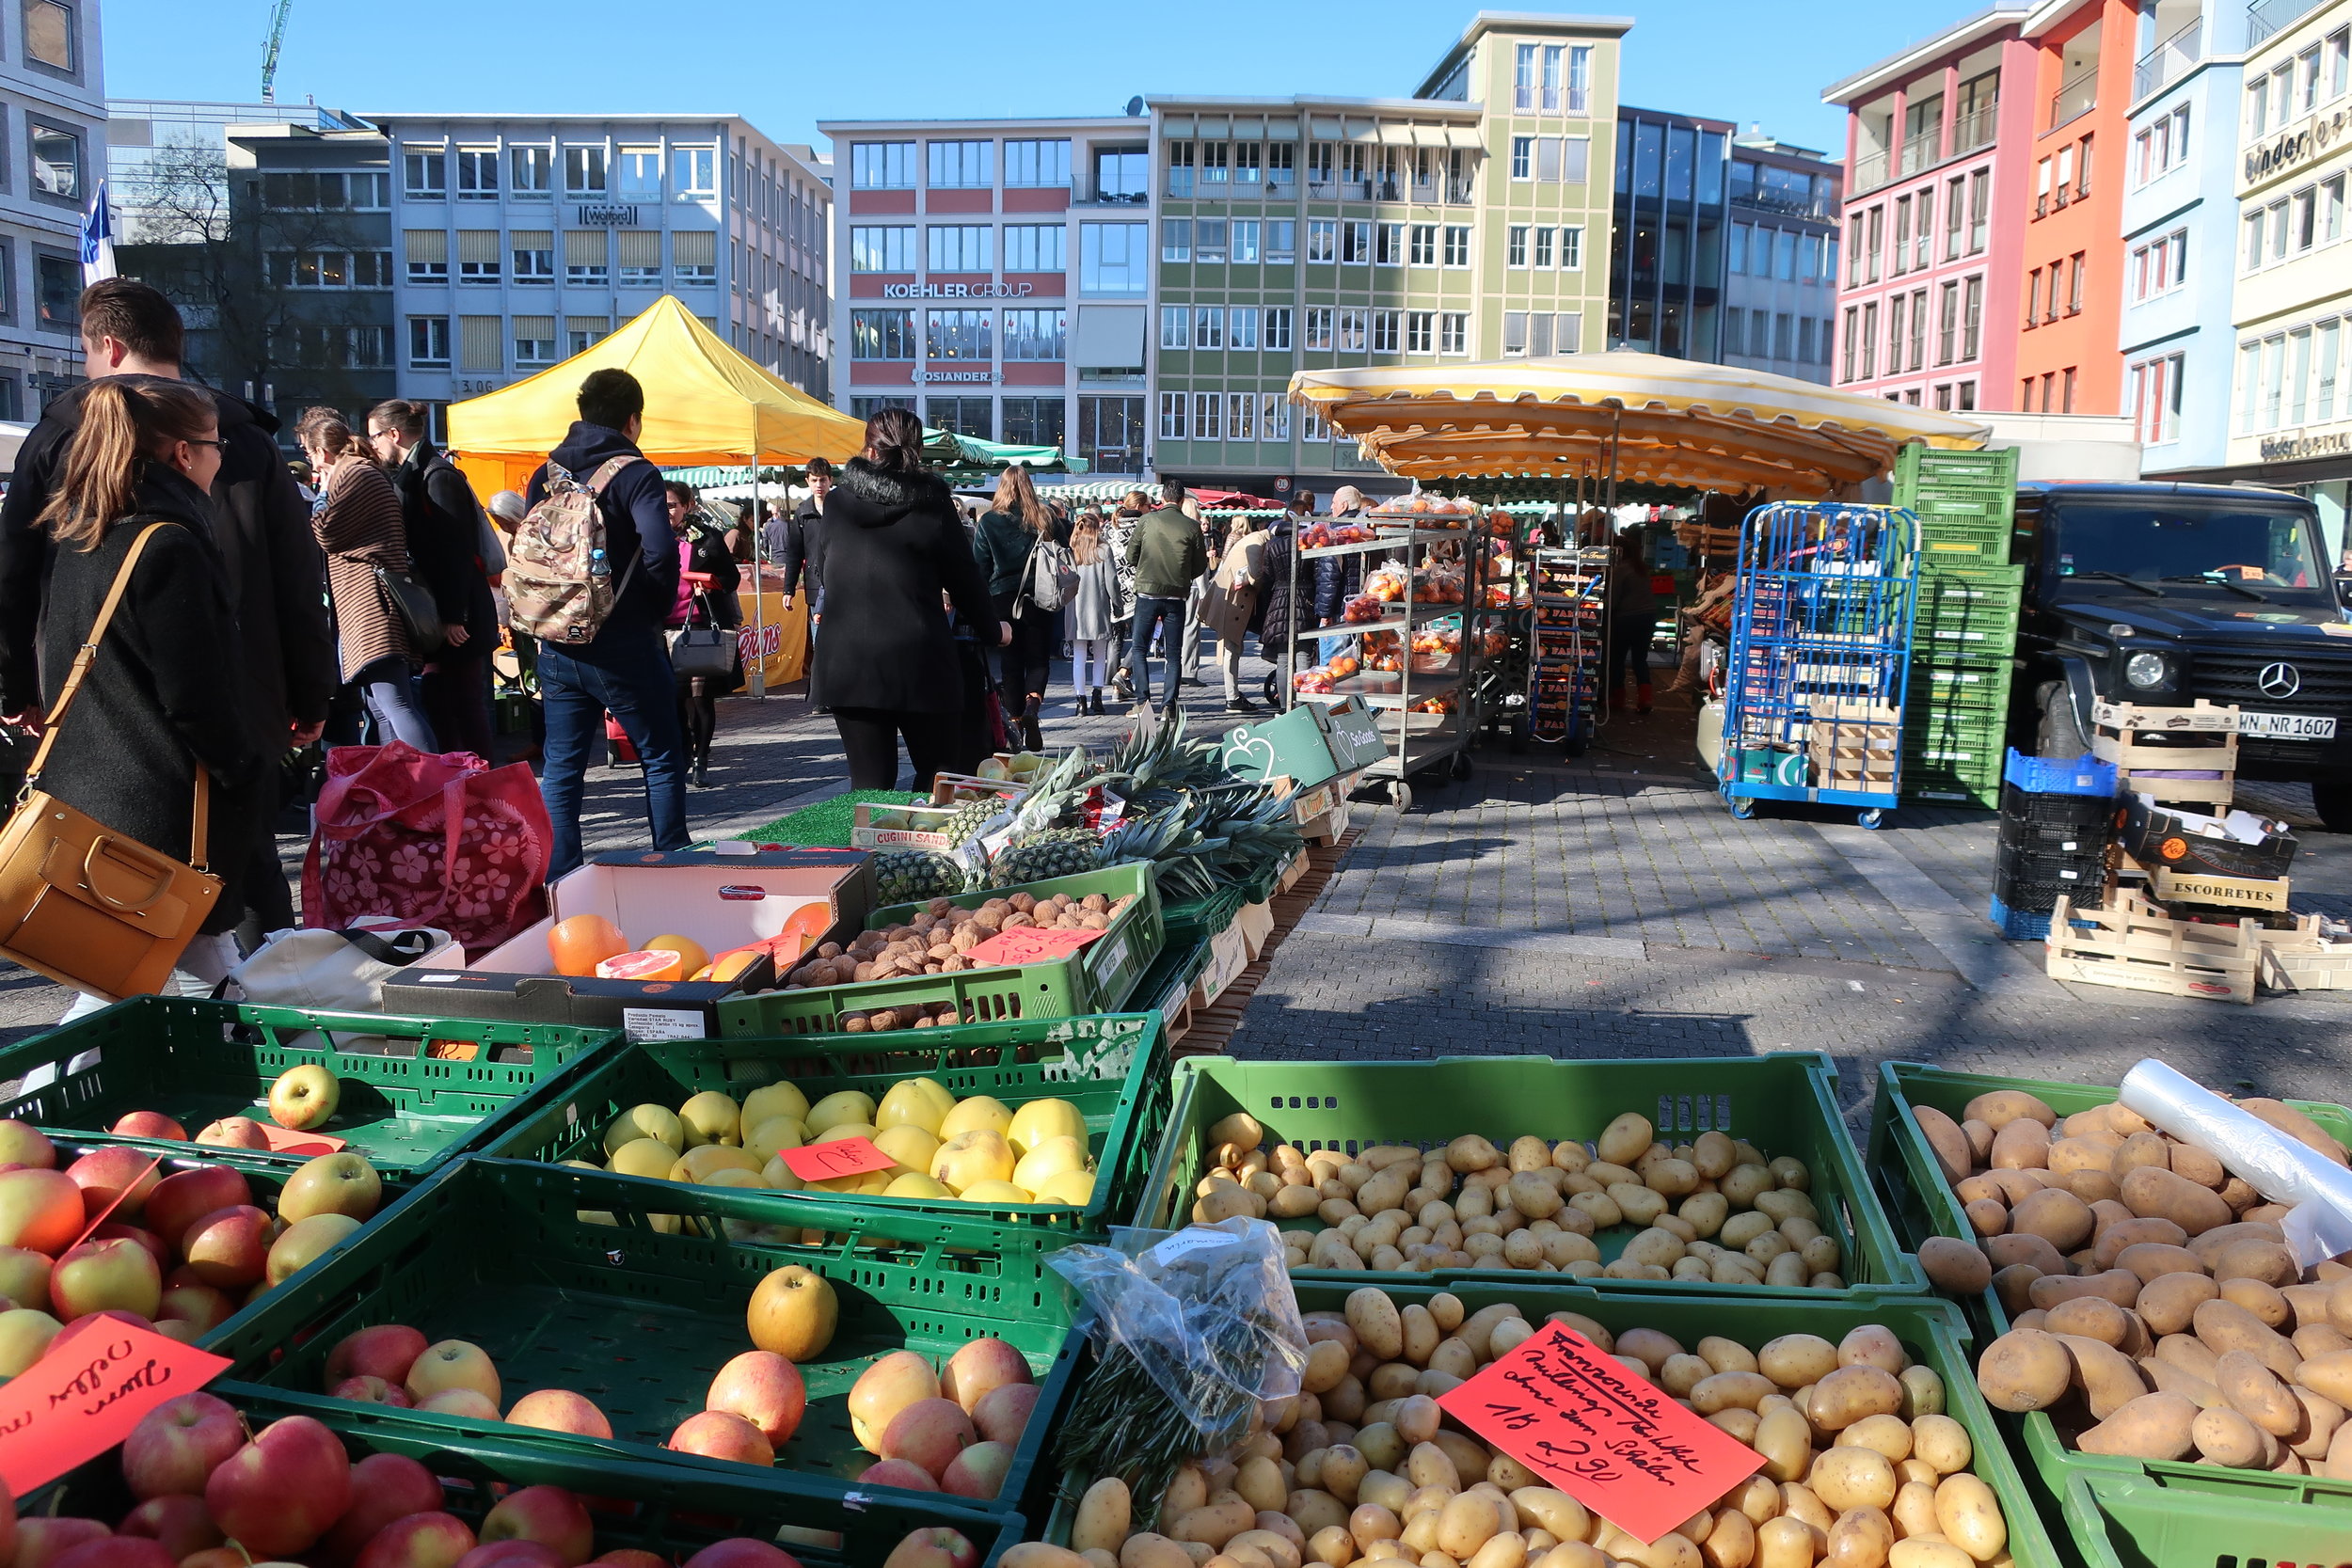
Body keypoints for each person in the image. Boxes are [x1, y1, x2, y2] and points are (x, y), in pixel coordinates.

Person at [0, 278, 332, 940]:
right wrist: (311, 695)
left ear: (111, 346)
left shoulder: (60, 440)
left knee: (122, 899)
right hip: (235, 700)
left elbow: (15, 576)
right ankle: (252, 1023)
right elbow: (298, 583)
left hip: (104, 712)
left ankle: (227, 1022)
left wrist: (17, 684)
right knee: (232, 885)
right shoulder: (242, 440)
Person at [32, 379, 265, 1006]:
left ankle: (241, 1069)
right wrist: (246, 767)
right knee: (111, 996)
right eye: (218, 445)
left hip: (99, 799)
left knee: (200, 973)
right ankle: (33, 1104)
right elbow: (196, 695)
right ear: (182, 454)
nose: (224, 458)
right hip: (160, 822)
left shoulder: (89, 533)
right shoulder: (169, 544)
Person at [520, 369, 685, 877]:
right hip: (624, 642)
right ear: (633, 420)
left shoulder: (545, 474)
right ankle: (671, 867)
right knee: (659, 756)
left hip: (558, 642)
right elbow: (660, 551)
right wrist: (650, 612)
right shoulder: (636, 474)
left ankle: (561, 882)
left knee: (563, 769)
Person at [809, 406, 1006, 790]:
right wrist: (994, 630)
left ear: (869, 449)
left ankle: (867, 850)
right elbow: (964, 578)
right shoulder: (932, 504)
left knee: (868, 784)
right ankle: (924, 850)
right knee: (939, 775)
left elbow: (823, 566)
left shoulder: (835, 503)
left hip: (848, 661)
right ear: (917, 449)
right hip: (917, 658)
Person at [296, 407, 438, 753]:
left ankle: (435, 782)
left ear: (321, 451)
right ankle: (406, 787)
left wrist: (323, 493)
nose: (312, 466)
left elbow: (325, 533)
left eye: (308, 453)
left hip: (372, 609)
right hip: (366, 608)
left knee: (396, 705)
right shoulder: (360, 472)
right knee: (382, 707)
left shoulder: (353, 474)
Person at [367, 399, 497, 759]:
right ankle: (458, 787)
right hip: (442, 613)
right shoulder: (417, 474)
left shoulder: (436, 476)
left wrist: (455, 616)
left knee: (463, 707)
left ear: (393, 434)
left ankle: (477, 788)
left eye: (375, 436)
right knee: (444, 704)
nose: (373, 445)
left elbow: (458, 552)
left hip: (458, 617)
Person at [971, 465, 1063, 749]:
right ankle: (1032, 707)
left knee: (1011, 665)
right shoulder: (1045, 517)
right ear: (1028, 486)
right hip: (1040, 597)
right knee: (1038, 661)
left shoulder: (988, 522)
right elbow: (1064, 547)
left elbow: (980, 567)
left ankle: (1016, 724)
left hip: (1002, 599)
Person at [665, 482, 742, 788]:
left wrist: (709, 583)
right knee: (674, 699)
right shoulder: (648, 538)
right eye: (661, 505)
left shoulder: (706, 537)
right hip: (664, 628)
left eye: (672, 504)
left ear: (687, 505)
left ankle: (701, 758)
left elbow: (731, 577)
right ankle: (684, 750)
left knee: (700, 698)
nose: (666, 510)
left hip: (700, 626)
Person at [1123, 481, 1208, 712]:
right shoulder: (1192, 526)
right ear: (1181, 500)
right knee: (1173, 654)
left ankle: (1143, 702)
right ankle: (1169, 704)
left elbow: (1131, 555)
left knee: (1140, 648)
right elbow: (1200, 565)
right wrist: (1182, 575)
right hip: (1176, 596)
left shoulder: (1147, 520)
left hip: (1147, 592)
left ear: (1162, 499)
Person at [1204, 512, 1272, 713]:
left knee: (1232, 648)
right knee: (1231, 649)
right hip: (1231, 600)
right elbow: (1255, 575)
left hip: (1229, 598)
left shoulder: (1255, 539)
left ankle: (1232, 695)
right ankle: (1232, 698)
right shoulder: (1257, 542)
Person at [1067, 511, 1120, 715]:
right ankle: (1097, 697)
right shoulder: (1104, 549)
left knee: (1078, 654)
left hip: (1075, 607)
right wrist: (1118, 604)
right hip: (1098, 606)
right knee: (1100, 654)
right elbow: (1112, 581)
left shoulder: (1072, 550)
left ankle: (1080, 701)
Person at [1608, 529, 1659, 715]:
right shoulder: (1641, 567)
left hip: (1626, 619)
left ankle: (1618, 699)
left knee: (1617, 659)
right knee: (1640, 660)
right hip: (1647, 617)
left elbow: (1613, 600)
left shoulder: (1620, 570)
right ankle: (1645, 699)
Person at [778, 456, 833, 620]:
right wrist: (788, 589)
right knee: (818, 641)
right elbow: (794, 554)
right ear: (807, 481)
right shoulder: (803, 512)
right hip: (815, 584)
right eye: (814, 480)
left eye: (822, 480)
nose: (819, 485)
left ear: (830, 480)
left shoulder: (842, 509)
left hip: (842, 583)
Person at [1106, 489, 1147, 702]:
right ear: (1140, 507)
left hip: (1113, 590)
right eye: (1148, 505)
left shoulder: (1109, 526)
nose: (1149, 509)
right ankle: (1122, 674)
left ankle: (1115, 690)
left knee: (1116, 641)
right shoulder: (1141, 526)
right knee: (1142, 637)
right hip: (1135, 589)